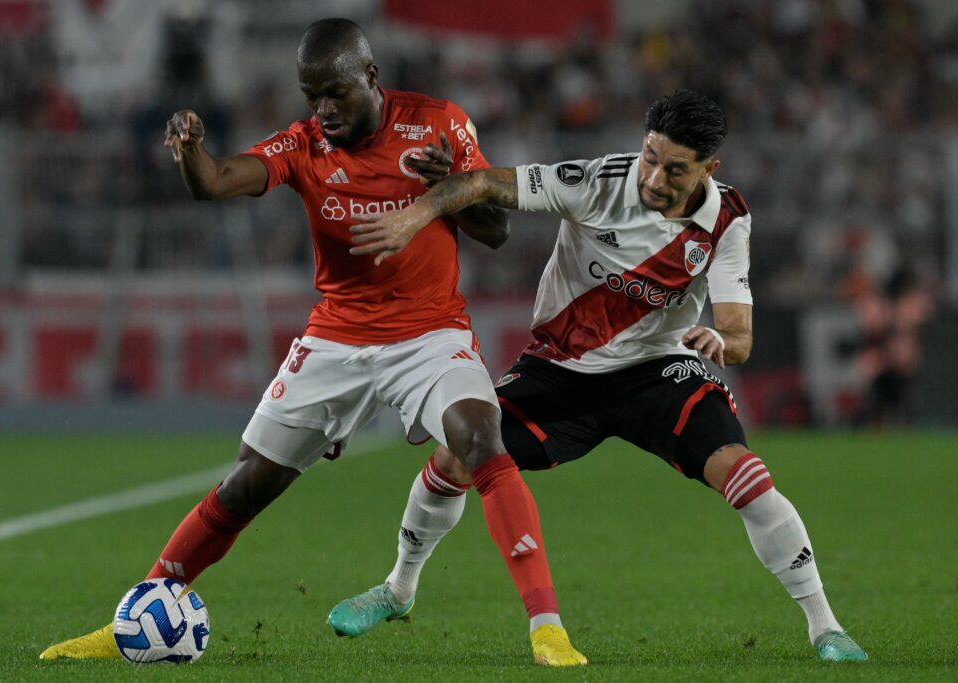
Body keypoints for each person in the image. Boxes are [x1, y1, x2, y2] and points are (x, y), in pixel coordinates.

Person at [39, 18, 586, 667]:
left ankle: (546, 627)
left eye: (335, 93)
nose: (323, 110)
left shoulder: (439, 123)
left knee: (479, 437)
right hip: (336, 336)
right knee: (246, 484)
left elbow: (493, 229)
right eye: (311, 95)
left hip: (428, 332)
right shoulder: (303, 143)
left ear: (371, 78)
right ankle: (139, 611)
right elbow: (216, 182)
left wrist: (449, 192)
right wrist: (190, 154)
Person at [329, 90, 868, 662]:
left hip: (657, 370)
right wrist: (418, 213)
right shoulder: (596, 181)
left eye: (675, 168)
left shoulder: (728, 220)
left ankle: (825, 627)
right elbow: (487, 184)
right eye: (650, 157)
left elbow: (739, 336)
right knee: (455, 458)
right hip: (559, 369)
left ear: (709, 169)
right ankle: (398, 589)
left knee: (746, 475)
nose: (655, 177)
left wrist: (719, 340)